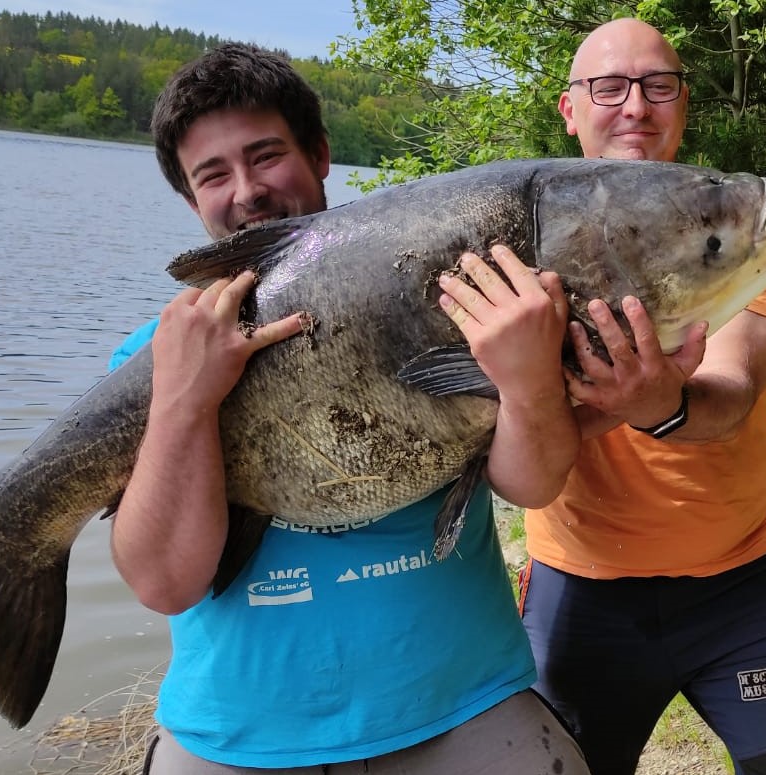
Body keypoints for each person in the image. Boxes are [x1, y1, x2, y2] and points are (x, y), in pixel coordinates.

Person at [108, 43, 590, 774]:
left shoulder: (455, 290)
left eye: (266, 155)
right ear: (189, 198)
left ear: (321, 154)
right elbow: (164, 583)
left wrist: (529, 383)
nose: (246, 190)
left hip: (464, 704)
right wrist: (181, 401)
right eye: (213, 174)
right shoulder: (153, 354)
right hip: (234, 735)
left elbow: (531, 486)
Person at [517, 17, 766, 775]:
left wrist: (659, 404)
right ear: (569, 109)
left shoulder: (731, 233)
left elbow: (733, 389)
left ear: (683, 103)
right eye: (608, 87)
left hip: (741, 584)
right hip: (578, 591)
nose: (634, 106)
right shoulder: (514, 240)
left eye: (658, 86)